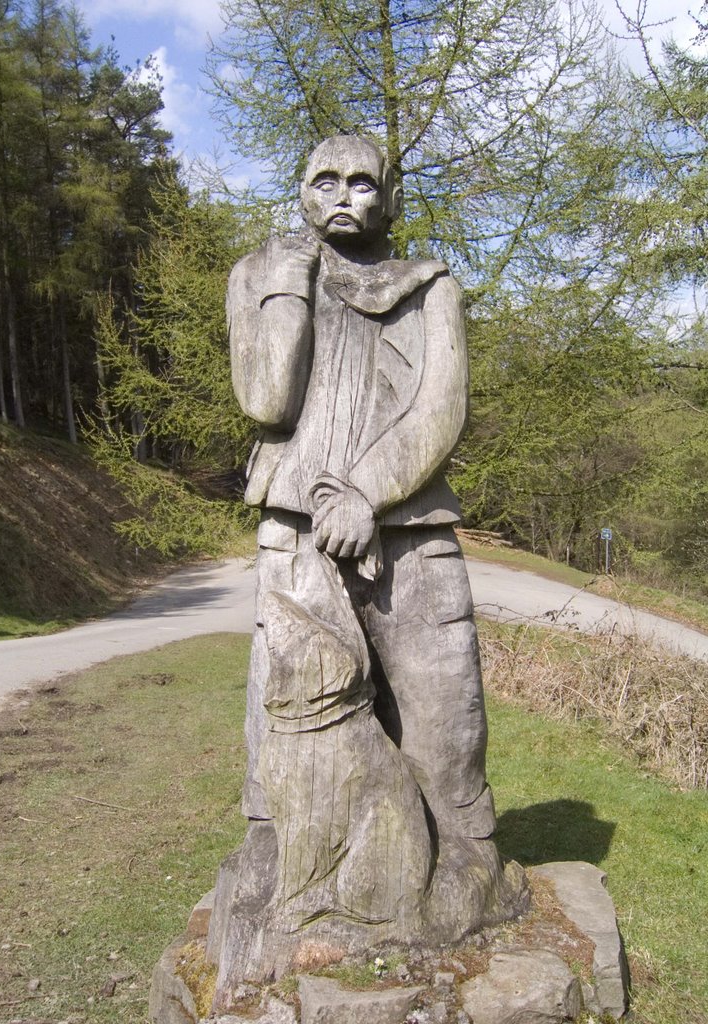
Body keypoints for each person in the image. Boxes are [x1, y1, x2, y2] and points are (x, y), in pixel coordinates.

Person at [228, 134, 495, 851]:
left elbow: (441, 408)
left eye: (362, 182)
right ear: (301, 191)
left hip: (411, 530)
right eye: (324, 181)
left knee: (443, 715)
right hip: (296, 531)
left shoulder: (431, 285)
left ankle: (465, 863)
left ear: (390, 197)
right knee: (291, 710)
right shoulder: (259, 272)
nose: (343, 194)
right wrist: (288, 289)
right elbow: (266, 403)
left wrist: (365, 495)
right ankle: (278, 861)